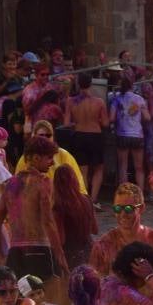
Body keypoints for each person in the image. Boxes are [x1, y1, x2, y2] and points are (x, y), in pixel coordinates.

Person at [0, 136, 69, 299]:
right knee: (47, 304)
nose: (52, 163)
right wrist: (60, 255)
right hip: (40, 251)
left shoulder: (11, 183)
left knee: (21, 303)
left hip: (16, 253)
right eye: (49, 158)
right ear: (35, 158)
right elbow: (48, 222)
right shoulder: (43, 182)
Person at [90, 183, 153, 275]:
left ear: (141, 208)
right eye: (117, 208)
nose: (123, 214)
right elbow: (97, 284)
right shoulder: (103, 246)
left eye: (128, 209)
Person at [63, 72, 108, 206]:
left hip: (79, 135)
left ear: (78, 84)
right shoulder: (99, 102)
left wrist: (76, 123)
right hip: (95, 136)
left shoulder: (70, 101)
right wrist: (97, 120)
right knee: (98, 168)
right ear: (91, 84)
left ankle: (84, 198)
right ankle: (93, 200)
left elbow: (66, 123)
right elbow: (106, 123)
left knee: (83, 170)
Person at [14, 121, 87, 194]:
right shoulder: (26, 158)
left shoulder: (64, 155)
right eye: (41, 135)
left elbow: (78, 184)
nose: (45, 138)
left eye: (48, 135)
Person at [52, 164, 97, 271]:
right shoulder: (86, 199)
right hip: (89, 252)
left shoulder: (58, 208)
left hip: (70, 256)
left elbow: (61, 239)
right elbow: (95, 229)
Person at [109, 77, 150, 192]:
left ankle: (125, 193)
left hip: (122, 134)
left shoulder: (116, 99)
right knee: (139, 167)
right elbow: (147, 117)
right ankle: (140, 193)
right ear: (132, 86)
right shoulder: (139, 99)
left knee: (123, 166)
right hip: (137, 135)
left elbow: (111, 118)